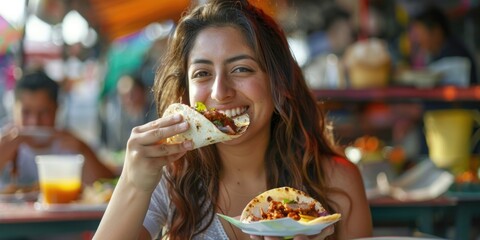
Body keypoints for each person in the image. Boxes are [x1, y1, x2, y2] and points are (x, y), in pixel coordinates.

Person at [94, 0, 372, 239]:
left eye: (241, 69)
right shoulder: (169, 179)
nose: (220, 92)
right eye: (202, 73)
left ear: (278, 82)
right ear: (185, 91)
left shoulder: (337, 183)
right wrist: (133, 181)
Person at [0, 70, 114, 190]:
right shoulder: (4, 142)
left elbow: (107, 186)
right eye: (26, 113)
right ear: (14, 110)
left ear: (57, 109)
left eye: (43, 112)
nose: (35, 122)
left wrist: (84, 151)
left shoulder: (72, 146)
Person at [410, 5, 478, 86]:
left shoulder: (455, 54)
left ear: (436, 31)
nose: (418, 40)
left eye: (421, 34)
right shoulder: (438, 53)